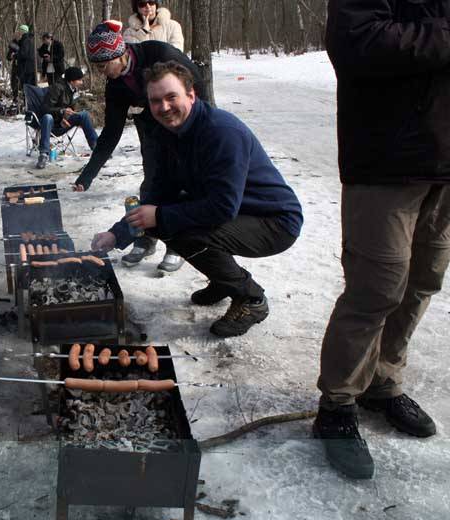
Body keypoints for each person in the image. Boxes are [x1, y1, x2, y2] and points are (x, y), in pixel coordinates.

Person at [313, 0, 450, 480]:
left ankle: (383, 381)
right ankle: (337, 404)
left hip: (444, 162)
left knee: (422, 281)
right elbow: (357, 42)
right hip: (386, 159)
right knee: (377, 288)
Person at [91, 61, 302, 338]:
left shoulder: (222, 133)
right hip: (235, 212)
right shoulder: (166, 135)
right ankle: (224, 281)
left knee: (180, 228)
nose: (164, 107)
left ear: (191, 95)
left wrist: (161, 216)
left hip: (273, 221)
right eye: (156, 101)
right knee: (163, 220)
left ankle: (250, 298)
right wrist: (116, 234)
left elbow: (223, 207)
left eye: (171, 97)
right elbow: (156, 194)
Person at [76, 21, 208, 277]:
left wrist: (202, 127)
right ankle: (146, 239)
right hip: (152, 129)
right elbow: (111, 133)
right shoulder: (115, 85)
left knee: (183, 184)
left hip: (186, 123)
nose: (102, 72)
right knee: (152, 182)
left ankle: (177, 245)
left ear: (119, 54)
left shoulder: (159, 53)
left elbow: (196, 85)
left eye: (104, 66)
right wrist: (88, 174)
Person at [122, 0, 185, 273]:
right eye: (141, 3)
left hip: (169, 111)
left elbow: (175, 64)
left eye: (150, 2)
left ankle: (176, 244)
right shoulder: (128, 31)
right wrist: (143, 31)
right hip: (145, 113)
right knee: (151, 172)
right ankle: (146, 238)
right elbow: (128, 69)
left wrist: (152, 33)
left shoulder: (172, 26)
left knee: (176, 174)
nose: (146, 7)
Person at [35, 67, 99, 169]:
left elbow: (71, 108)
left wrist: (65, 116)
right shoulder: (57, 88)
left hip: (63, 122)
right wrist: (61, 112)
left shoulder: (72, 90)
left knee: (84, 115)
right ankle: (43, 154)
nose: (81, 82)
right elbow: (45, 108)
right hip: (49, 124)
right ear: (72, 80)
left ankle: (97, 148)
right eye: (79, 80)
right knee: (47, 117)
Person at [14, 25, 37, 89]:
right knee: (29, 86)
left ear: (22, 31)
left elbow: (24, 54)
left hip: (26, 68)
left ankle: (27, 98)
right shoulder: (30, 40)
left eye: (19, 31)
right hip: (30, 68)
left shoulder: (25, 41)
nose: (18, 32)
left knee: (26, 86)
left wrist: (15, 55)